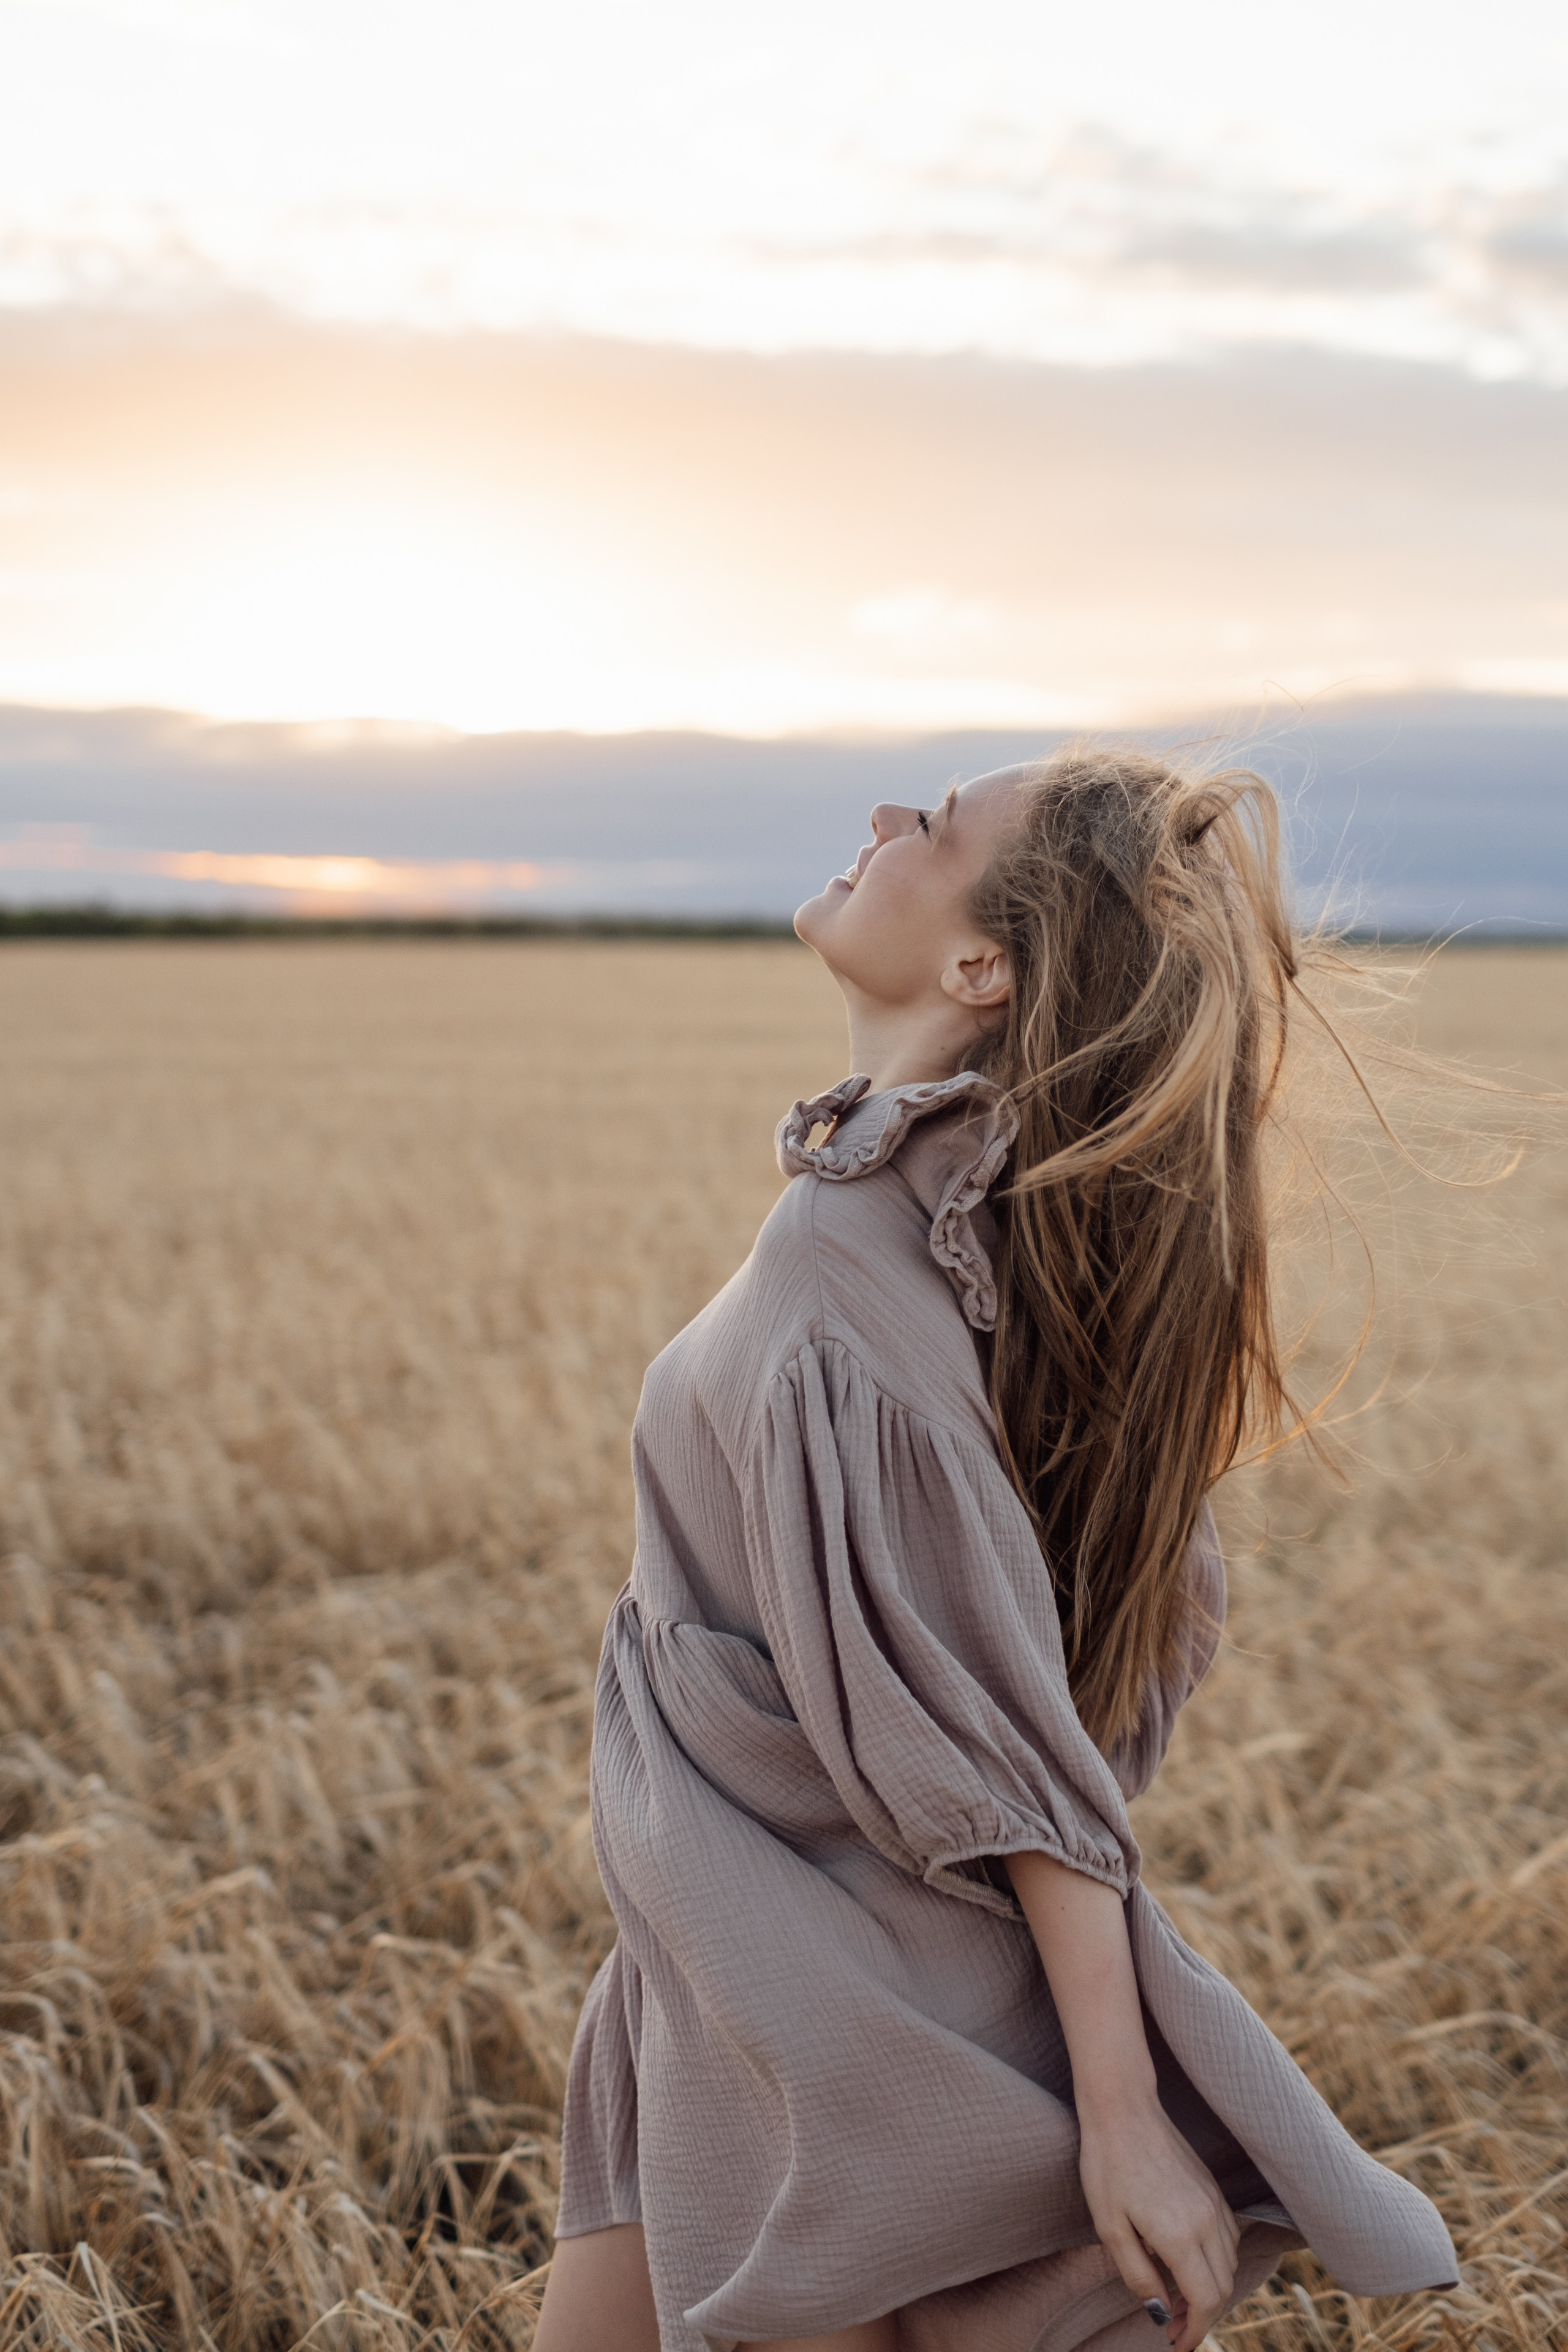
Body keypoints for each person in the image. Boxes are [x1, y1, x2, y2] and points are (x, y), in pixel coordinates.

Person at [532, 748, 1458, 2352]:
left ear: (983, 969)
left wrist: (1123, 2112)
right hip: (728, 1959)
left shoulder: (844, 1268)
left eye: (939, 824)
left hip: (838, 2010)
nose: (885, 819)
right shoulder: (954, 1240)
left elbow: (1003, 1736)